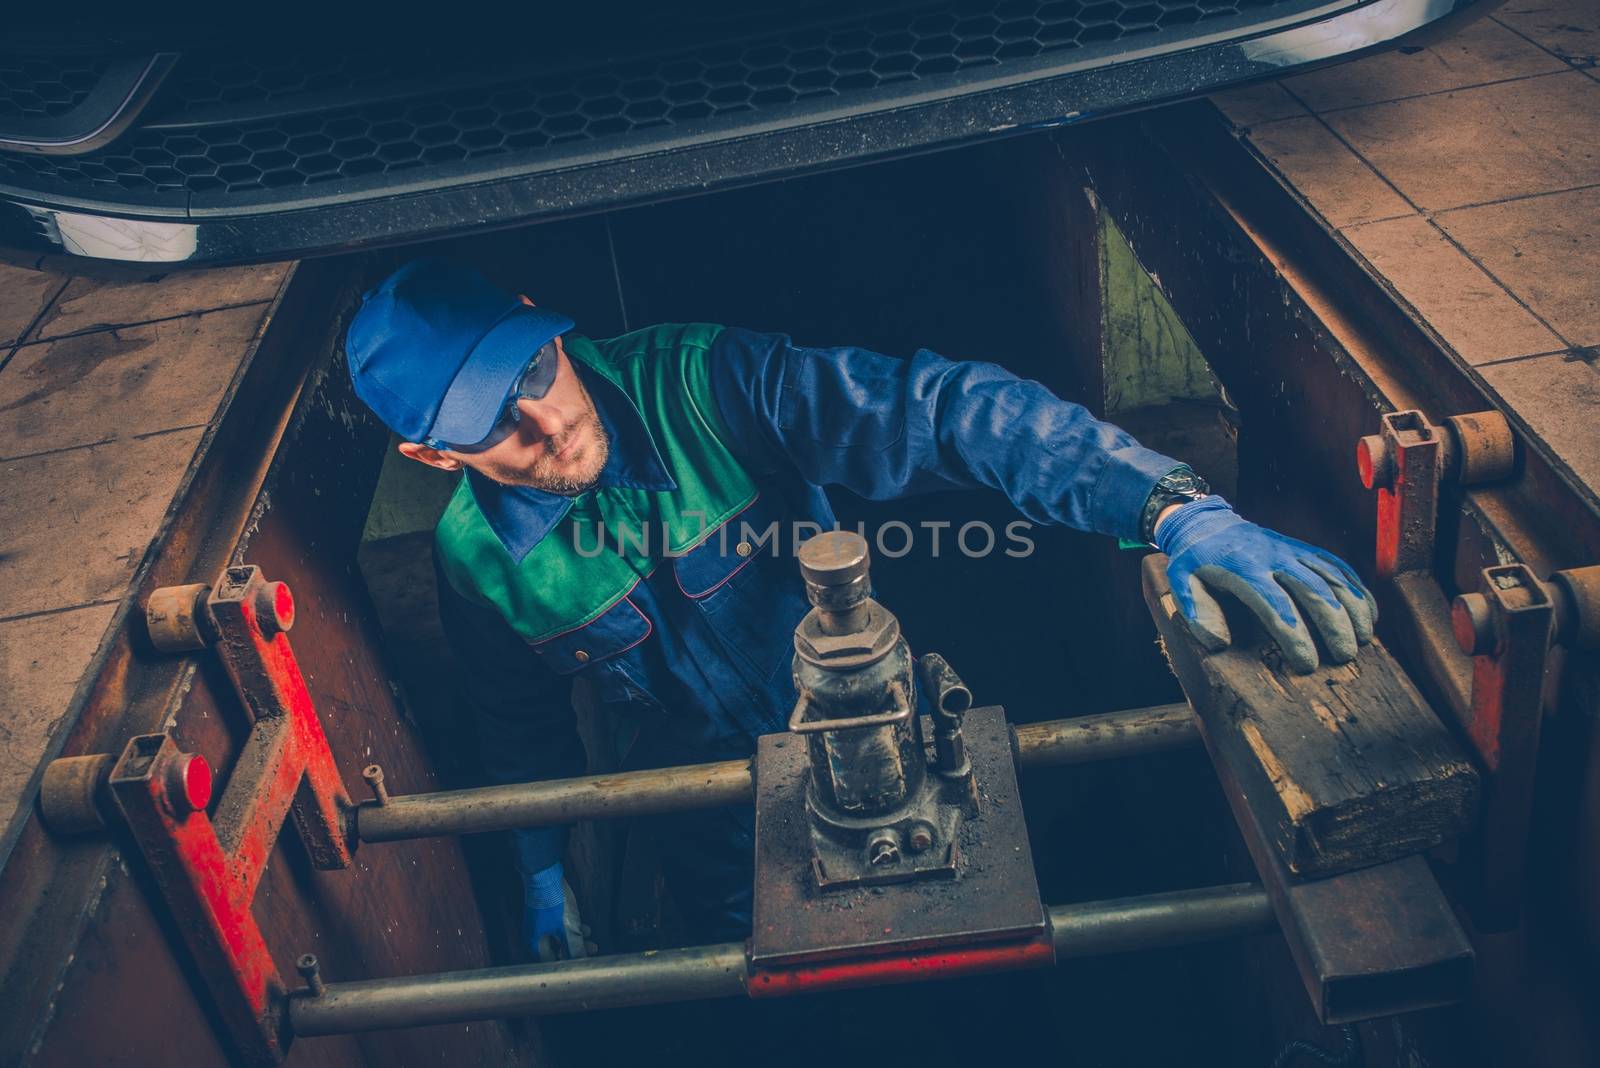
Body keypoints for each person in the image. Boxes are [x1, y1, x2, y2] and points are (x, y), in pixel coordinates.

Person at [345, 258, 1374, 959]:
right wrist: (540, 870)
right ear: (434, 456)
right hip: (716, 833)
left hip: (896, 756)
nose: (548, 423)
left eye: (533, 369)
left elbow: (946, 415)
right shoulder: (476, 565)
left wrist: (1173, 508)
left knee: (993, 966)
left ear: (539, 319)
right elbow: (515, 729)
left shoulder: (703, 383)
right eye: (496, 427)